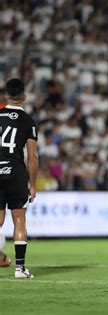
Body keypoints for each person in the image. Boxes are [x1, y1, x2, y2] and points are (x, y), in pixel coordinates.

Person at [0, 78, 38, 278]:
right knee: (19, 221)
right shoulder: (28, 122)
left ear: (6, 95)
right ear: (24, 96)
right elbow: (32, 157)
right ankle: (20, 269)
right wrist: (33, 185)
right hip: (15, 173)